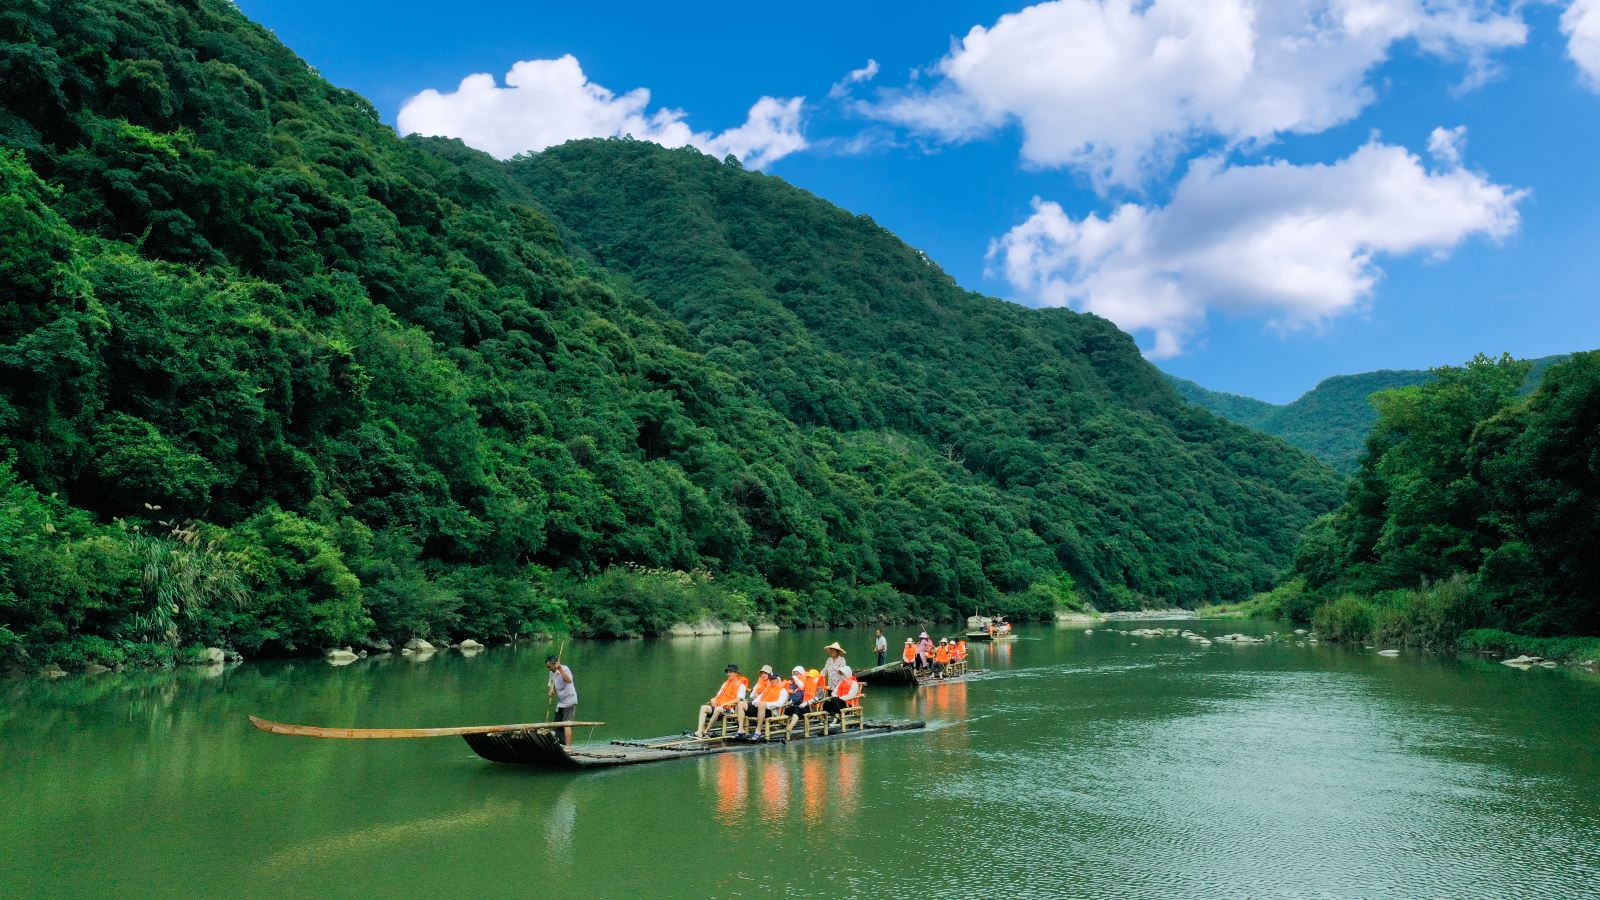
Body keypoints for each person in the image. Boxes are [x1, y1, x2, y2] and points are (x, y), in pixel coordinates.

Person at [696, 663, 749, 737]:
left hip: (731, 709)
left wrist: (726, 703)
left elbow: (739, 699)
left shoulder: (741, 685)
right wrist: (713, 699)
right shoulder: (725, 684)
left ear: (736, 673)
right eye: (728, 672)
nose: (728, 674)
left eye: (730, 672)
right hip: (720, 707)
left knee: (717, 709)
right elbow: (718, 695)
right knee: (703, 707)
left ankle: (706, 731)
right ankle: (699, 731)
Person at [545, 655, 578, 745]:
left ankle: (568, 747)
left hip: (570, 701)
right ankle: (560, 744)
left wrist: (560, 669)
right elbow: (552, 685)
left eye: (549, 667)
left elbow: (568, 680)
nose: (549, 669)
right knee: (556, 725)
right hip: (561, 702)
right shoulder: (551, 673)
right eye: (547, 667)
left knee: (566, 724)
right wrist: (551, 691)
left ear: (555, 664)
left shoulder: (564, 669)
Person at [750, 667, 790, 740]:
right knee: (743, 703)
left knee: (762, 704)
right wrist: (756, 703)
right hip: (762, 709)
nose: (772, 681)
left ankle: (758, 731)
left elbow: (780, 703)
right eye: (771, 679)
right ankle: (742, 730)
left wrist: (766, 704)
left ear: (778, 680)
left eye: (774, 679)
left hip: (772, 711)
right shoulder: (768, 688)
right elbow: (756, 700)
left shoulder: (783, 690)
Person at [782, 666, 819, 738]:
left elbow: (818, 697)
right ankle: (780, 726)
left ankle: (789, 729)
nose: (809, 678)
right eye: (808, 677)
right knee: (788, 709)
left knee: (797, 708)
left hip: (809, 707)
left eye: (811, 677)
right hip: (800, 705)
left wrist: (806, 703)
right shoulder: (803, 685)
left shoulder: (818, 686)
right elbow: (799, 690)